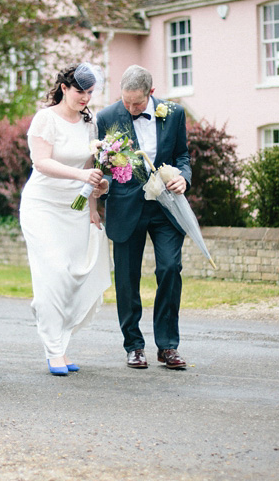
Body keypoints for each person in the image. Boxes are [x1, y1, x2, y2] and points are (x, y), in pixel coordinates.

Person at [96, 65, 191, 370]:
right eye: (126, 102)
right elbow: (105, 165)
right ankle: (133, 345)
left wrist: (183, 178)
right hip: (125, 207)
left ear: (151, 93)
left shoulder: (173, 113)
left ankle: (168, 346)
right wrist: (102, 187)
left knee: (169, 268)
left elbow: (182, 156)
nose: (131, 108)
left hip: (166, 207)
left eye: (137, 103)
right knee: (127, 279)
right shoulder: (107, 117)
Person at [19, 63, 112, 376]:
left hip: (74, 210)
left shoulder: (89, 124)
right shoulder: (45, 119)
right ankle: (53, 351)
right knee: (54, 275)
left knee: (72, 277)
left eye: (89, 92)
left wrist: (95, 202)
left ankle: (61, 346)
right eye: (79, 91)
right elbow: (41, 163)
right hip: (42, 207)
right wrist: (81, 174)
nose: (85, 97)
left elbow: (90, 171)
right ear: (64, 88)